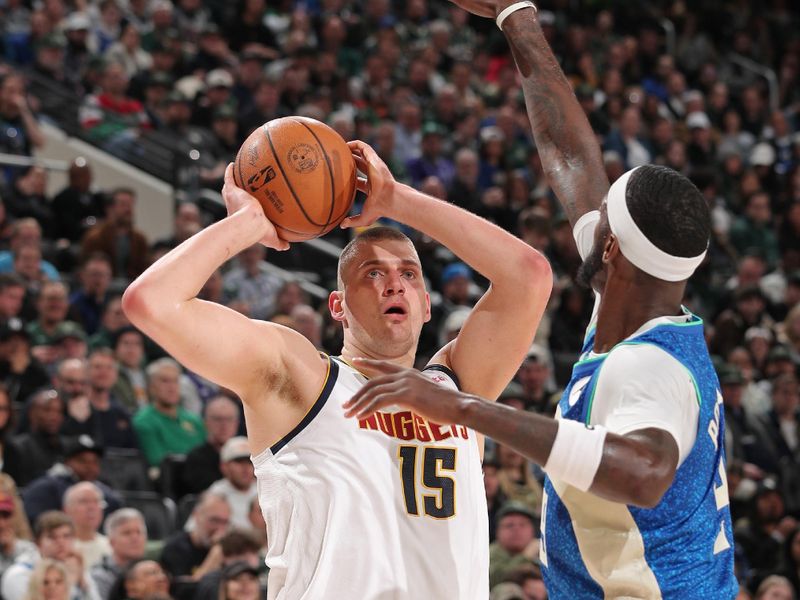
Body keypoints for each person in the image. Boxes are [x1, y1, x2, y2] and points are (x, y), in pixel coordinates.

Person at [341, 2, 737, 598]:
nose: (590, 210)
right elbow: (573, 156)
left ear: (610, 250)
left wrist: (464, 409)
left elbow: (647, 473)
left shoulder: (645, 367)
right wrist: (515, 18)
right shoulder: (635, 298)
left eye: (602, 217)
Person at [122, 130, 551, 597]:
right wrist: (246, 225)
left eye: (408, 274)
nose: (394, 284)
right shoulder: (301, 377)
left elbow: (528, 276)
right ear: (337, 306)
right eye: (373, 274)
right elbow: (152, 302)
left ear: (427, 305)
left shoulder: (458, 387)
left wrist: (399, 200)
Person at [90, 508, 147, 600]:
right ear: (112, 542)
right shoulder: (100, 576)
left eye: (139, 532)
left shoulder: (155, 571)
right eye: (127, 533)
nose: (135, 538)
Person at [62, 482, 111, 569]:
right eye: (84, 502)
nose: (91, 507)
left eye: (96, 501)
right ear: (66, 509)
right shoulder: (60, 547)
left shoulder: (111, 546)